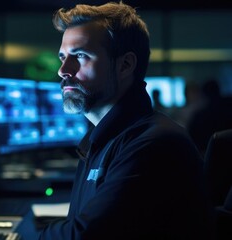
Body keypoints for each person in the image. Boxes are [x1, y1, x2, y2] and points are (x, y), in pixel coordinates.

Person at [36, 2, 214, 239]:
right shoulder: (103, 139)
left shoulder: (155, 143)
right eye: (63, 57)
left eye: (80, 55)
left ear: (125, 65)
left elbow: (86, 236)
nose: (63, 70)